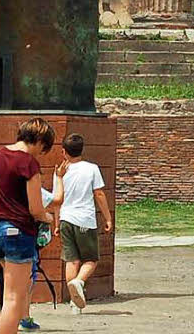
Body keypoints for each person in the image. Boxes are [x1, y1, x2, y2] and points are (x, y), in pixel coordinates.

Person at [0, 118, 56, 334]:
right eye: (44, 148)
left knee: (13, 291)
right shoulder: (28, 163)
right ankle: (8, 323)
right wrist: (48, 218)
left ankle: (5, 319)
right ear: (40, 141)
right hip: (16, 231)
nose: (41, 153)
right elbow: (35, 208)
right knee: (16, 296)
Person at [56, 133, 113, 313]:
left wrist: (57, 223)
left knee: (71, 260)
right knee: (91, 259)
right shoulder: (91, 168)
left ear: (63, 151)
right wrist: (108, 217)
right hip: (84, 220)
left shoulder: (59, 172)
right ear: (82, 150)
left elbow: (57, 199)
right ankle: (79, 283)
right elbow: (99, 194)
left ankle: (75, 303)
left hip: (65, 218)